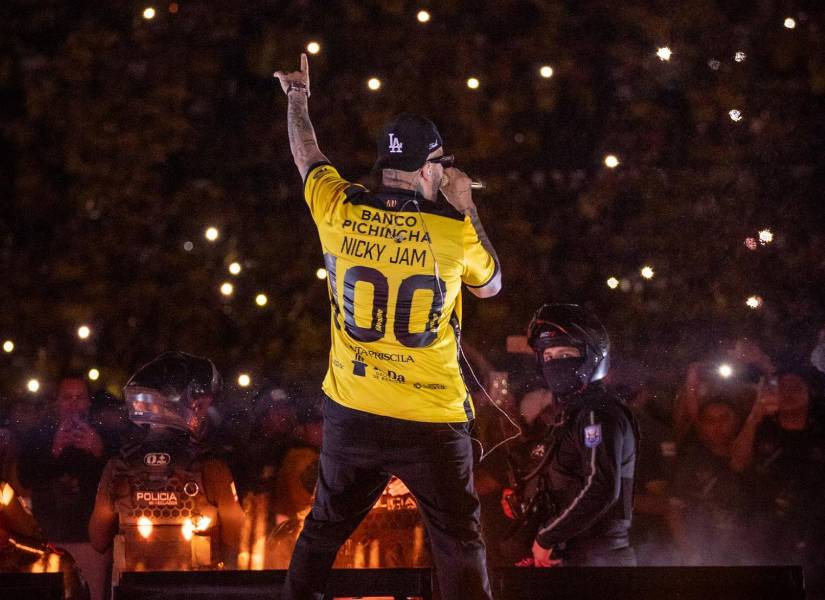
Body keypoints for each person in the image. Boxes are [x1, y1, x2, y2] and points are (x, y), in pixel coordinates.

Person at [273, 54, 501, 599]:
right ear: (427, 170)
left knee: (323, 533)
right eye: (442, 165)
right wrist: (465, 204)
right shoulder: (450, 233)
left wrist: (297, 99)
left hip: (354, 412)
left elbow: (307, 155)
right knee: (458, 544)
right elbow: (490, 286)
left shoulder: (339, 209)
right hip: (432, 419)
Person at [88, 352, 245, 586]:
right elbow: (235, 542)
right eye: (200, 406)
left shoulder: (118, 466)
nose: (203, 414)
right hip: (196, 590)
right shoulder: (211, 467)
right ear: (181, 405)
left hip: (135, 590)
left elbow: (98, 540)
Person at [509, 304, 638, 567]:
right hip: (571, 557)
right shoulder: (571, 414)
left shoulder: (597, 414)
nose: (556, 363)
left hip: (596, 562)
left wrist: (546, 539)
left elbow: (600, 487)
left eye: (565, 353)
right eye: (549, 356)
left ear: (592, 356)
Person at [16, 376, 109, 600]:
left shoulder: (104, 435)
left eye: (80, 398)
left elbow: (116, 484)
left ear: (88, 402)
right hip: (49, 541)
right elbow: (25, 477)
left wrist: (99, 451)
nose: (74, 404)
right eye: (67, 398)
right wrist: (54, 451)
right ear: (56, 402)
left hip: (89, 542)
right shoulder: (37, 436)